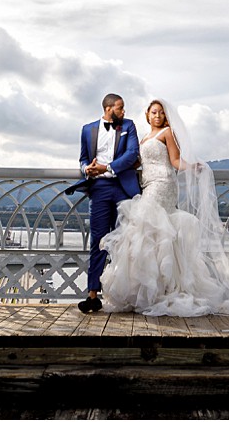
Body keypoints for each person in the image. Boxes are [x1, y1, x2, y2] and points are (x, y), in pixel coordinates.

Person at [97, 99, 229, 317]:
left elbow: (175, 161)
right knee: (152, 232)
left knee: (148, 227)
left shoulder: (167, 133)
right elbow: (136, 162)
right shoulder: (145, 137)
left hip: (163, 184)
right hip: (148, 185)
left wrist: (191, 166)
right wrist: (106, 166)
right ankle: (151, 290)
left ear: (166, 116)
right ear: (147, 114)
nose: (158, 116)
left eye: (161, 113)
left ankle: (157, 291)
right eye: (154, 112)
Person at [75, 93, 140, 313]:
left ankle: (129, 296)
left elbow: (132, 154)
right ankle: (92, 295)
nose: (124, 111)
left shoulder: (129, 126)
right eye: (120, 108)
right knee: (99, 241)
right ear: (108, 108)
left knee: (127, 241)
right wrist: (87, 168)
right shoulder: (87, 129)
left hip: (123, 187)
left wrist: (107, 167)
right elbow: (83, 158)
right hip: (100, 189)